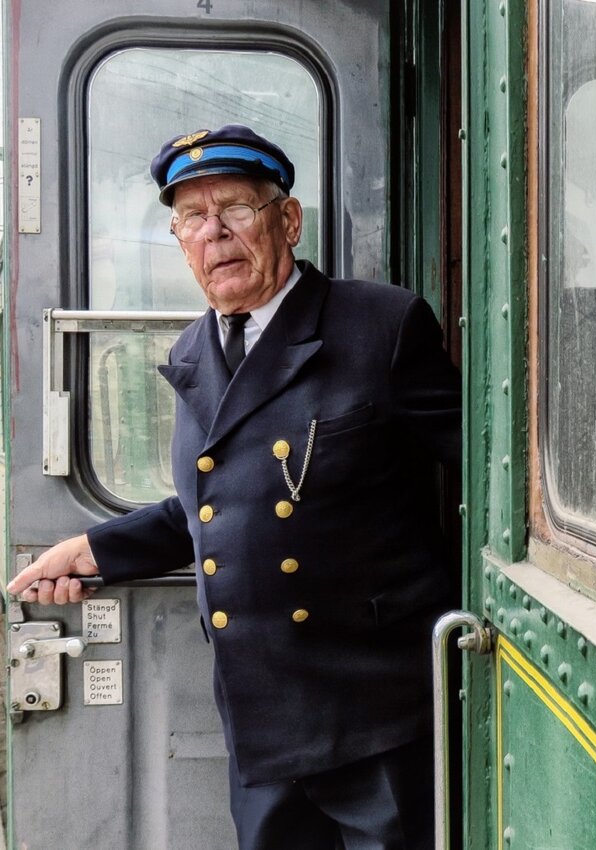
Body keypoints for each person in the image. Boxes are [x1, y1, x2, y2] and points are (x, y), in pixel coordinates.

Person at [6, 124, 461, 850]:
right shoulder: (196, 348)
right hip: (261, 718)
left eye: (236, 210)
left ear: (288, 220)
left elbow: (476, 477)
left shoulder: (381, 326)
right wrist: (95, 549)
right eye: (192, 218)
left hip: (375, 715)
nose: (214, 234)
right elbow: (219, 504)